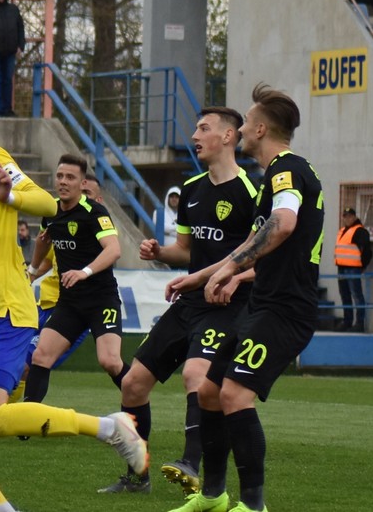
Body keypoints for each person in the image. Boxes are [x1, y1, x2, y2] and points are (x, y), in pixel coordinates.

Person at [0, 79, 146, 512]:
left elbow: (48, 203)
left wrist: (10, 194)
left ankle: (109, 427)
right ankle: (0, 507)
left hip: (3, 310)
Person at [162, 84, 323, 512]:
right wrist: (205, 276)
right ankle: (213, 496)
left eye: (248, 122)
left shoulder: (286, 170)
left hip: (285, 310)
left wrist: (230, 270)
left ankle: (254, 506)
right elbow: (255, 242)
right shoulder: (277, 175)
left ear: (260, 128)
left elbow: (283, 224)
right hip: (262, 305)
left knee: (234, 395)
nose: (244, 128)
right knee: (211, 392)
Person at [100, 107, 260, 496]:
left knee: (196, 375)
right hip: (189, 301)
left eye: (203, 128)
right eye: (195, 128)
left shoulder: (253, 191)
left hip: (228, 303)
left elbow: (264, 256)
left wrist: (233, 278)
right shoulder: (191, 189)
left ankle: (191, 461)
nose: (195, 135)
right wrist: (160, 252)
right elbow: (187, 251)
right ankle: (138, 476)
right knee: (133, 384)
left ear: (228, 136)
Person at [23, 154, 127, 403]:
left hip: (101, 301)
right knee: (40, 356)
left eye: (70, 177)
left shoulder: (94, 212)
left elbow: (114, 250)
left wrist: (84, 272)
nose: (63, 181)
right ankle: (27, 419)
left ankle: (137, 396)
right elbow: (44, 242)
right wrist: (33, 271)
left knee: (110, 361)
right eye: (60, 176)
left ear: (82, 183)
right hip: (70, 304)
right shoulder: (50, 210)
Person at [334, 206, 373, 332]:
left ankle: (359, 323)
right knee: (345, 296)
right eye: (345, 216)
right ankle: (347, 321)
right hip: (341, 268)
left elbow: (367, 252)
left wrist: (362, 266)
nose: (347, 218)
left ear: (354, 217)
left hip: (353, 269)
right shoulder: (343, 230)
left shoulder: (360, 231)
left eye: (350, 216)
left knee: (357, 296)